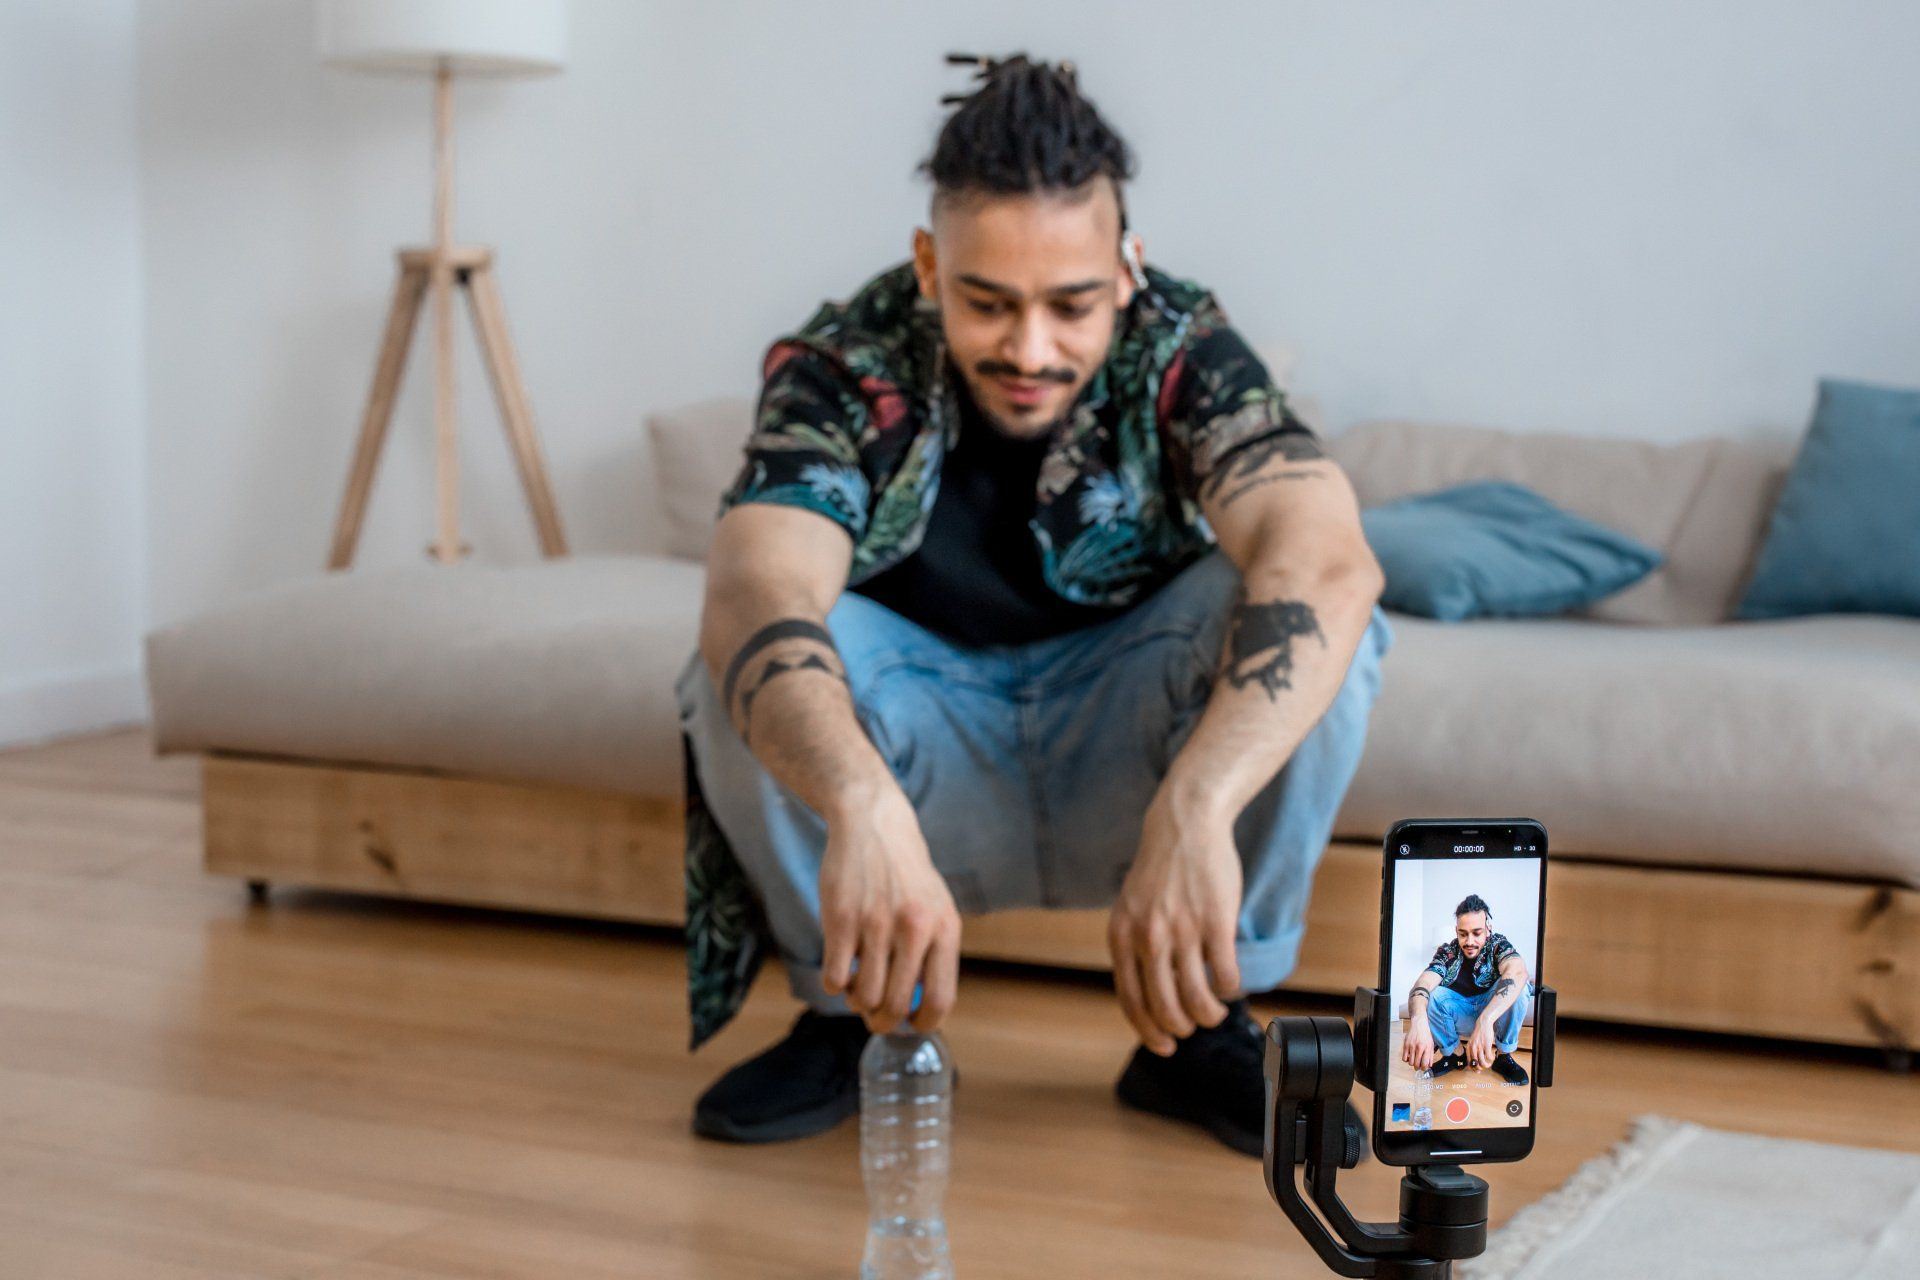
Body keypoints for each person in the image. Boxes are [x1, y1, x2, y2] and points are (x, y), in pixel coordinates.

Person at [675, 53, 1393, 1158]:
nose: (1029, 348)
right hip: (918, 750)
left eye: (1072, 304)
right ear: (929, 265)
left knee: (1314, 618)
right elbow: (753, 583)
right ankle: (850, 1013)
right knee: (745, 651)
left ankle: (1195, 1025)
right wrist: (859, 803)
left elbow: (1328, 560)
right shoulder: (844, 361)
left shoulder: (1181, 344)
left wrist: (1199, 805)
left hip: (1128, 733)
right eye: (987, 301)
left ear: (1128, 266)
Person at [1400, 894, 1533, 1086]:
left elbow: (1518, 971)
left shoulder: (1498, 944)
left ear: (1488, 929)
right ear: (1456, 931)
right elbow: (1423, 984)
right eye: (1463, 934)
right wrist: (1418, 1022)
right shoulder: (1447, 952)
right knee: (1432, 995)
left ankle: (1504, 1057)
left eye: (1476, 933)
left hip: (1491, 1013)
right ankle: (1456, 1056)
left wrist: (1485, 1020)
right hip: (1462, 1013)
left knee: (1519, 988)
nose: (1469, 941)